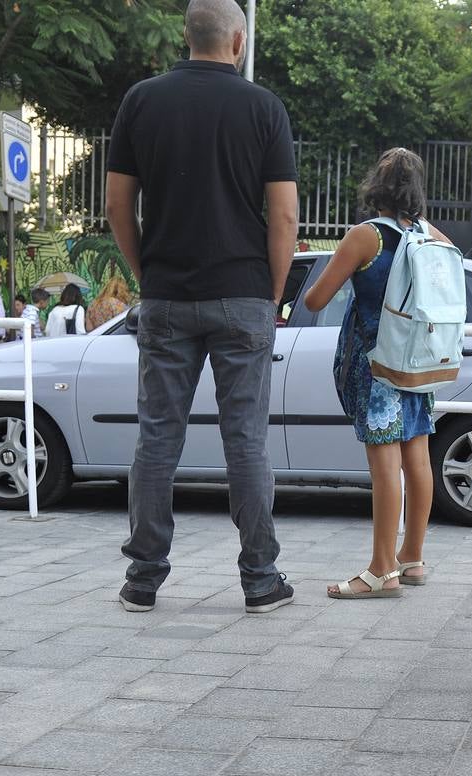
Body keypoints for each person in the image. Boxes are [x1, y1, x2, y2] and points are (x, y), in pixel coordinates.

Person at [105, 0, 299, 615]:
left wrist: (146, 274)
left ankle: (143, 577)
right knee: (246, 440)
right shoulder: (263, 107)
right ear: (237, 41)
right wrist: (269, 296)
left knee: (157, 437)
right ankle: (260, 579)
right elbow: (285, 216)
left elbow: (117, 206)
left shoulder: (141, 100)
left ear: (187, 36)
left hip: (166, 295)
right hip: (244, 295)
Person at [303, 148, 443, 600]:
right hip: (418, 363)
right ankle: (413, 557)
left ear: (375, 187)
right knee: (417, 456)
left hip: (376, 365)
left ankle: (382, 570)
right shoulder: (430, 235)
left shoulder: (367, 236)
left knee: (385, 466)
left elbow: (315, 299)